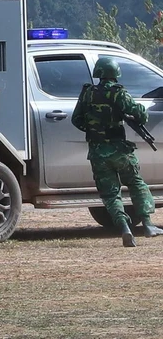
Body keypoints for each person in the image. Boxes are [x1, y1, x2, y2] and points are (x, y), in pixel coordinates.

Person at [71, 56, 163, 247]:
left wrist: (94, 130)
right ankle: (147, 225)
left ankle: (124, 228)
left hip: (97, 151)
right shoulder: (118, 93)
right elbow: (140, 114)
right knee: (136, 183)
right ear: (115, 73)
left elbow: (77, 120)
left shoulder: (87, 93)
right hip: (119, 150)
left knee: (110, 193)